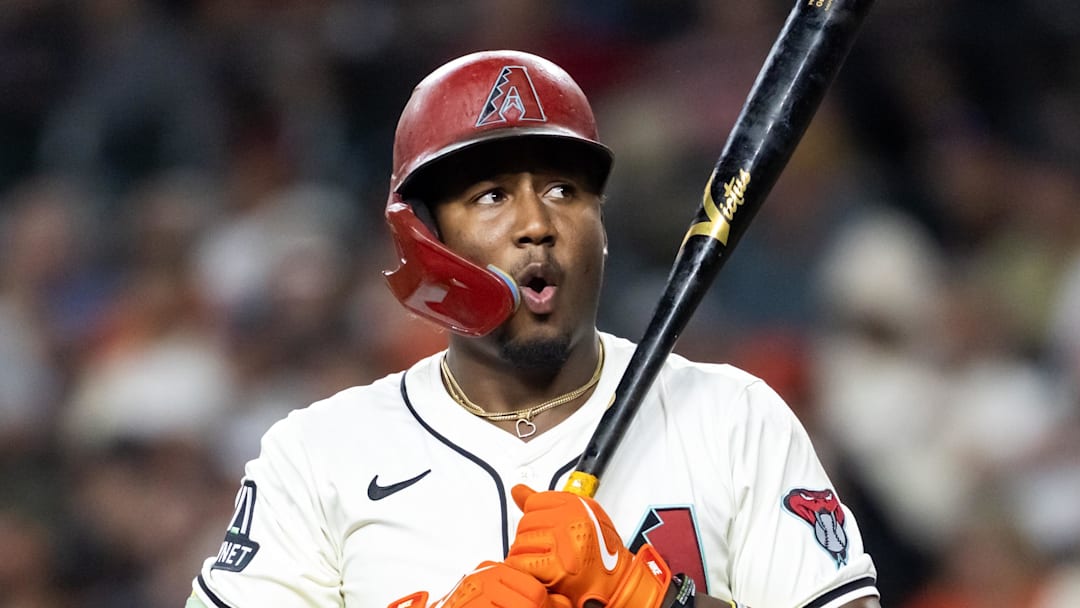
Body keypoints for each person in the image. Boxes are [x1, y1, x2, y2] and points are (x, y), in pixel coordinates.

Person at [187, 50, 881, 608]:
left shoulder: (732, 418)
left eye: (563, 190)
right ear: (424, 240)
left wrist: (653, 600)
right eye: (491, 195)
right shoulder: (319, 455)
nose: (537, 224)